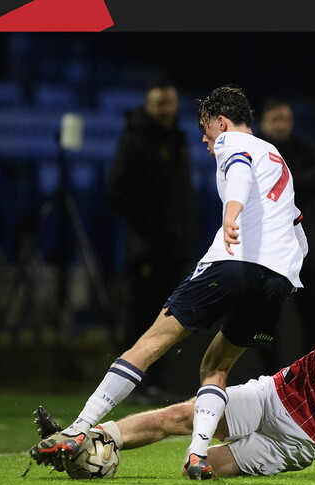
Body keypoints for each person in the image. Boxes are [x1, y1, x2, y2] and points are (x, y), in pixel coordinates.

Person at [30, 85, 308, 479]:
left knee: (150, 343)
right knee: (215, 366)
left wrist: (232, 213)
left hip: (234, 261)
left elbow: (240, 170)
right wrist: (290, 277)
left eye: (205, 129)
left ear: (221, 121)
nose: (205, 139)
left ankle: (76, 430)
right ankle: (198, 454)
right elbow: (299, 229)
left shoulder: (233, 141)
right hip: (278, 280)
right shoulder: (278, 156)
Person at [33, 241, 315, 480]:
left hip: (299, 440)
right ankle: (85, 439)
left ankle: (90, 449)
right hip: (274, 393)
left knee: (195, 469)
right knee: (182, 415)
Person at [106, 80, 198, 404]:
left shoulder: (178, 138)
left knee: (167, 317)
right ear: (148, 105)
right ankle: (135, 385)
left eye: (169, 103)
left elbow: (183, 197)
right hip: (146, 247)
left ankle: (156, 383)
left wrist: (183, 237)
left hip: (172, 249)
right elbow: (117, 192)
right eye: (159, 104)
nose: (165, 110)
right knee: (142, 315)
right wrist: (157, 226)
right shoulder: (135, 137)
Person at [257, 98, 315, 371]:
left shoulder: (304, 147)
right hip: (267, 247)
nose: (281, 125)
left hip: (305, 246)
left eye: (285, 119)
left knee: (314, 315)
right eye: (275, 120)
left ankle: (310, 374)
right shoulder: (257, 150)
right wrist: (297, 185)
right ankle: (269, 379)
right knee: (264, 318)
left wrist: (285, 183)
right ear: (262, 122)